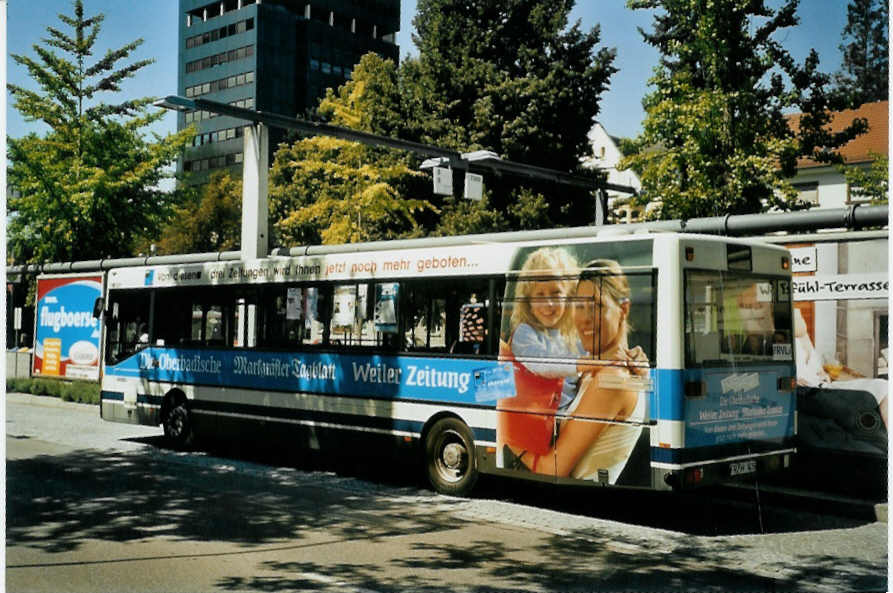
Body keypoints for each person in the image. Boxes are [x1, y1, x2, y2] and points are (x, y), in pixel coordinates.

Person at [505, 259, 649, 483]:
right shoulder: (606, 368)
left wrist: (507, 434)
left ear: (623, 310)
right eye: (579, 306)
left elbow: (549, 470)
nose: (584, 318)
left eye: (596, 306)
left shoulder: (612, 379)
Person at [497, 247, 583, 461]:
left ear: (570, 296)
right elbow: (544, 365)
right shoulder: (525, 333)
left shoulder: (574, 335)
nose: (549, 304)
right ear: (527, 300)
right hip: (539, 422)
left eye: (557, 294)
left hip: (566, 415)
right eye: (540, 295)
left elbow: (597, 356)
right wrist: (586, 363)